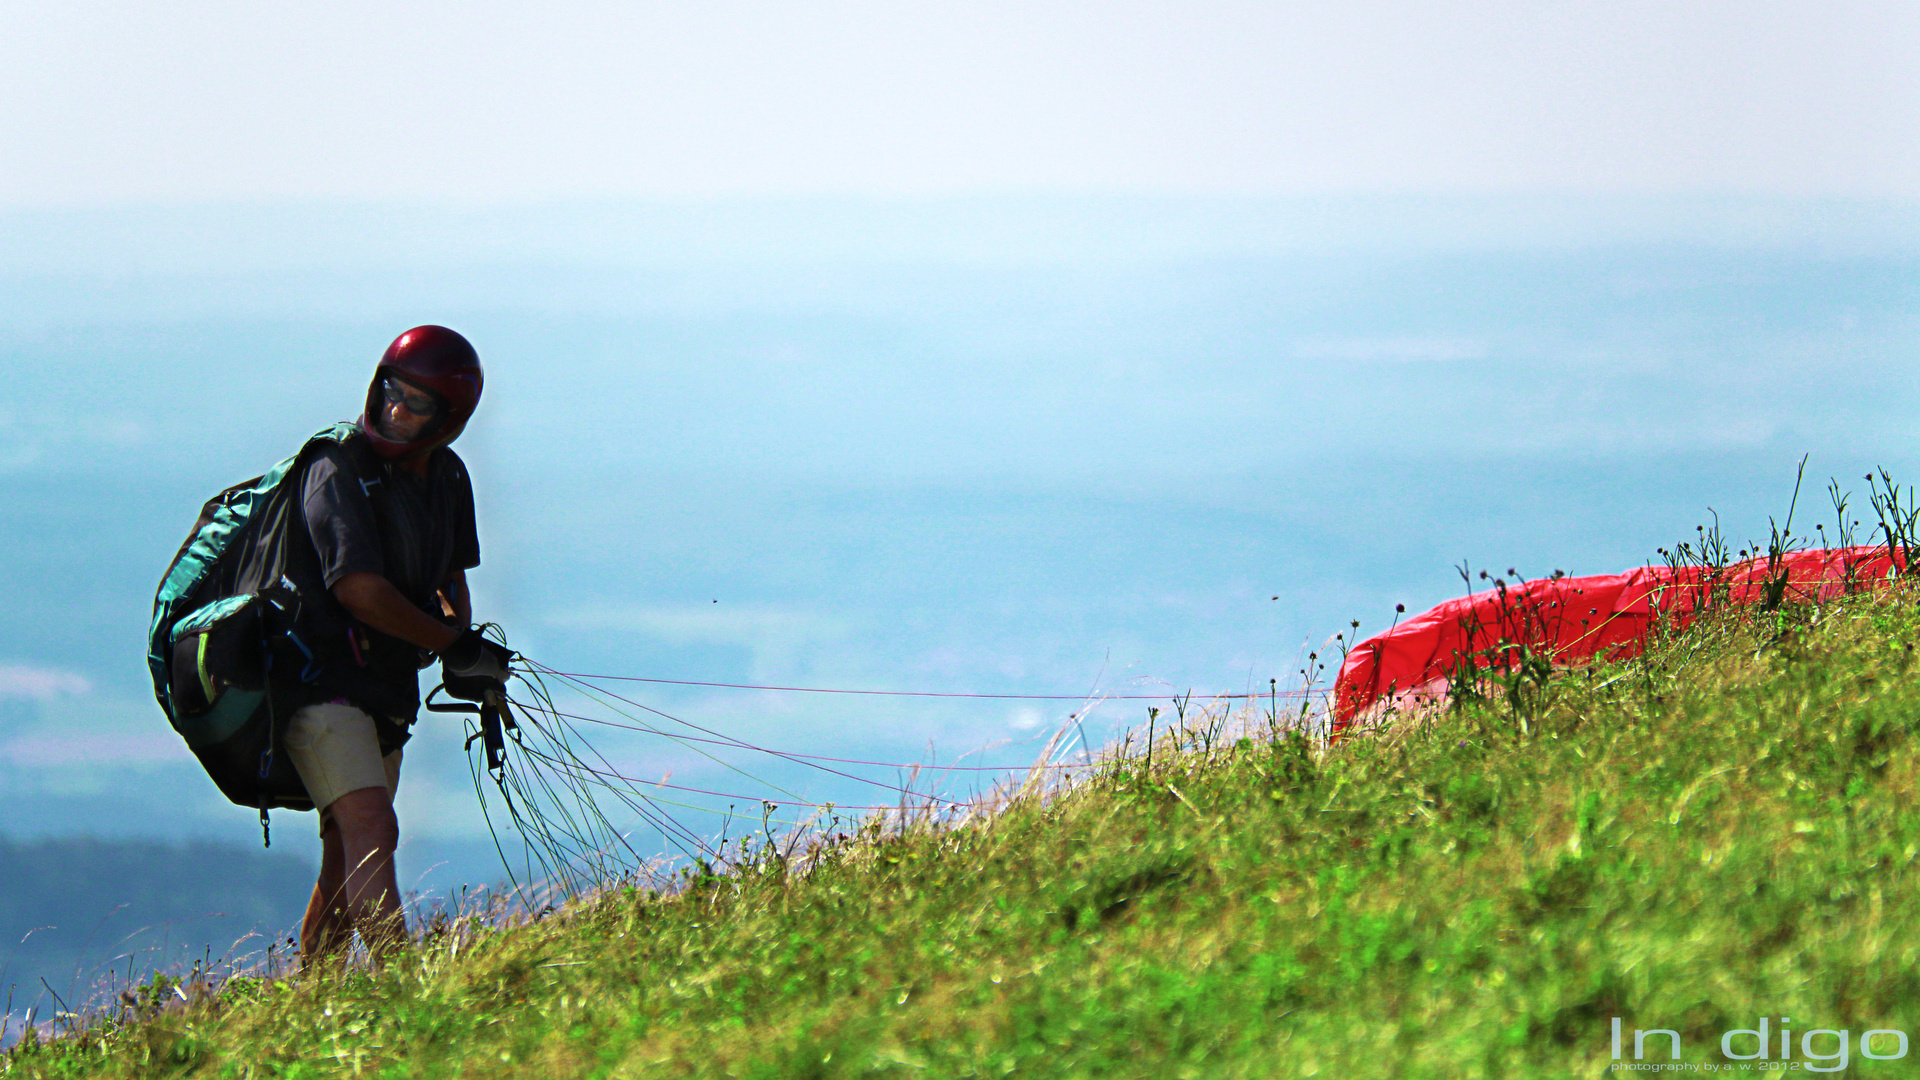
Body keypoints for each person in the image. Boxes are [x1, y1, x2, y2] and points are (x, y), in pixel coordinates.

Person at [288, 325, 510, 963]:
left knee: (344, 854)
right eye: (391, 392)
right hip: (316, 682)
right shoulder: (337, 467)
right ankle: (401, 996)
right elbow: (358, 590)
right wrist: (448, 642)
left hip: (382, 687)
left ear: (449, 418)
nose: (395, 410)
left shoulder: (446, 476)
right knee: (373, 829)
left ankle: (314, 998)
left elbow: (450, 579)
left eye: (416, 403)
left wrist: (463, 645)